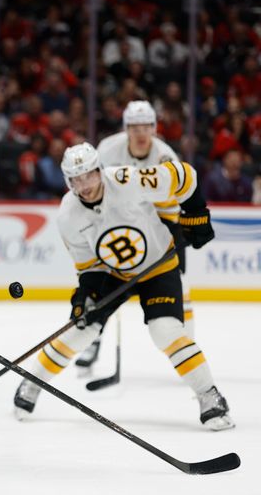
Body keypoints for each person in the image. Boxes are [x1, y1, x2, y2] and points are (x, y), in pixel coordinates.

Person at [13, 142, 234, 432]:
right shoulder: (67, 216)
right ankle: (32, 382)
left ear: (99, 170)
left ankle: (210, 395)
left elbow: (184, 175)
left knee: (165, 331)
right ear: (68, 182)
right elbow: (89, 268)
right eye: (76, 179)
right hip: (113, 273)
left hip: (158, 265)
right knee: (81, 330)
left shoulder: (129, 179)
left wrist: (195, 213)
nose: (85, 185)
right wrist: (84, 298)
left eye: (89, 175)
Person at [85, 100, 210, 370]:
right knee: (104, 285)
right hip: (120, 221)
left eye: (146, 127)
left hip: (160, 222)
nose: (140, 133)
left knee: (180, 283)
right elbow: (94, 189)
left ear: (154, 128)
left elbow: (176, 198)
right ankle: (92, 339)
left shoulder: (165, 156)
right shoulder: (107, 149)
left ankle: (186, 344)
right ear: (126, 129)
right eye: (134, 127)